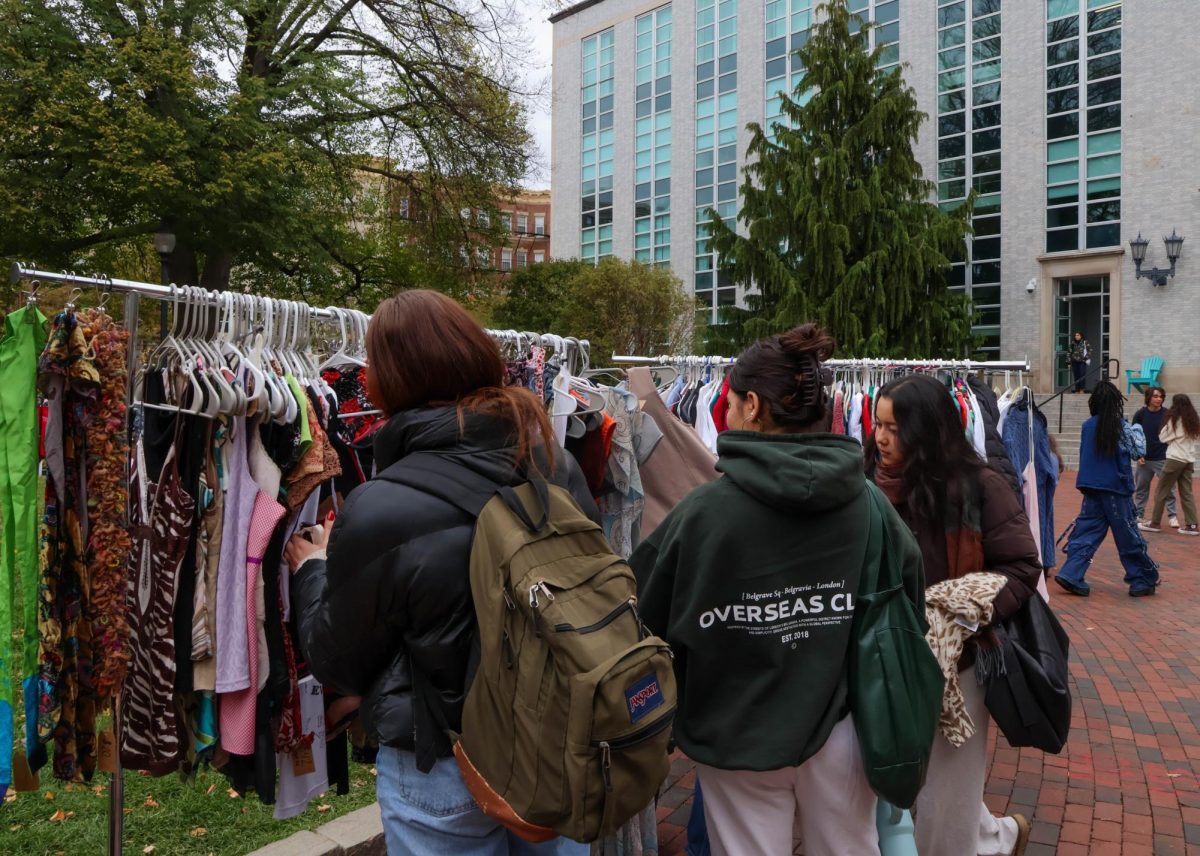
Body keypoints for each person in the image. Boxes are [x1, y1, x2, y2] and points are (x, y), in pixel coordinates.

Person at [283, 290, 594, 855]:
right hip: (554, 741)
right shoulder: (553, 461)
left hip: (445, 758)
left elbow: (340, 659)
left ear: (388, 381)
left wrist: (314, 570)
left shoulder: (380, 505)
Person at [631, 324, 924, 856]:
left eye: (731, 402)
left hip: (734, 733)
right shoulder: (868, 503)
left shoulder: (703, 516)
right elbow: (910, 603)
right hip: (843, 730)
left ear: (752, 405)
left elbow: (643, 623)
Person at [864, 373, 1039, 856]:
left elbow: (1023, 566)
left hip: (956, 662)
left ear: (926, 428)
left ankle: (979, 839)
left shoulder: (978, 485)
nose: (881, 438)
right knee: (888, 783)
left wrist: (960, 605)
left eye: (894, 428)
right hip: (883, 659)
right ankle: (999, 836)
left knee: (947, 801)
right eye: (878, 424)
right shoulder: (866, 484)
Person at [1054, 382, 1160, 597]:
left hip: (1091, 485)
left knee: (1087, 530)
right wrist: (1137, 428)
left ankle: (1072, 573)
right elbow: (1138, 450)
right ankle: (1142, 577)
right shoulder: (1120, 426)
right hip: (1115, 487)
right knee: (1127, 534)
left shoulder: (1088, 425)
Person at [1140, 393, 1199, 536]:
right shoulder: (1193, 420)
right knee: (1186, 493)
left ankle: (1155, 523)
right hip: (1188, 460)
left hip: (1174, 459)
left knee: (1161, 491)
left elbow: (1162, 437)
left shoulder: (1175, 419)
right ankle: (1192, 525)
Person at [1133, 387, 1179, 527]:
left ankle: (1172, 516)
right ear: (1149, 398)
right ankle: (1138, 515)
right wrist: (1137, 455)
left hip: (1163, 458)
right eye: (1156, 396)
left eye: (1161, 396)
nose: (1159, 399)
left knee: (1169, 488)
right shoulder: (1140, 414)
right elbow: (1134, 435)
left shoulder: (1167, 414)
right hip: (1144, 459)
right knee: (1141, 489)